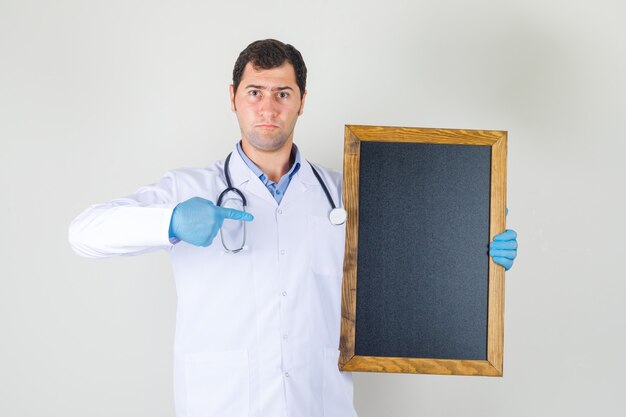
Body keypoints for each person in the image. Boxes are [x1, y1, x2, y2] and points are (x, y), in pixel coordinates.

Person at [69, 39, 518, 417]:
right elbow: (84, 233)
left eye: (283, 93)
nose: (268, 107)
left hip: (318, 404)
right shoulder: (191, 189)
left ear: (303, 100)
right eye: (255, 92)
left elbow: (416, 261)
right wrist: (169, 220)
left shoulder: (347, 195)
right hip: (222, 404)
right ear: (232, 98)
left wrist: (477, 253)